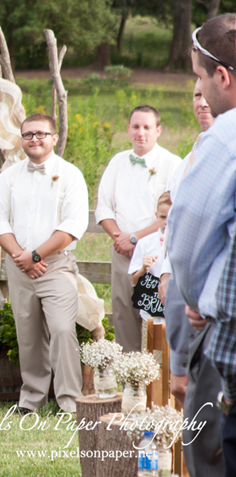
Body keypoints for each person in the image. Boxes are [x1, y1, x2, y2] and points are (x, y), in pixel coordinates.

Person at [167, 14, 236, 477]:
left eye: (199, 78)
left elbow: (189, 242)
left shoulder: (226, 139)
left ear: (223, 76)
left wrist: (197, 300)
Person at [0, 113, 88, 413]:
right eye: (28, 134)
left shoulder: (70, 175)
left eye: (41, 134)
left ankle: (70, 399)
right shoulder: (9, 176)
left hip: (55, 266)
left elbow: (73, 225)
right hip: (19, 266)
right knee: (27, 333)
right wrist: (23, 257)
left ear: (54, 138)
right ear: (22, 140)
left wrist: (36, 255)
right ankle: (31, 398)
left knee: (60, 328)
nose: (34, 139)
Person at [94, 105, 181, 352]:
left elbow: (170, 213)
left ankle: (159, 383)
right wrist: (121, 239)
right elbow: (104, 208)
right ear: (128, 129)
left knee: (157, 319)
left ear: (158, 130)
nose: (140, 133)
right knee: (123, 315)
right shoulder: (118, 162)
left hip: (157, 254)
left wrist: (135, 239)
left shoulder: (171, 163)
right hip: (123, 252)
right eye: (135, 126)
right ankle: (129, 384)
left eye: (147, 127)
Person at [160, 80, 215, 411]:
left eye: (208, 95)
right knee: (179, 383)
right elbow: (173, 226)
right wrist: (166, 273)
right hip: (181, 278)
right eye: (196, 95)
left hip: (213, 281)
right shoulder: (184, 163)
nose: (202, 103)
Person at [127, 191, 170, 322]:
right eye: (162, 217)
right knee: (150, 341)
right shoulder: (145, 243)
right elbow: (134, 281)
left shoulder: (185, 244)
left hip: (175, 314)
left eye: (171, 216)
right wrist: (143, 269)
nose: (166, 222)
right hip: (151, 314)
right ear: (156, 216)